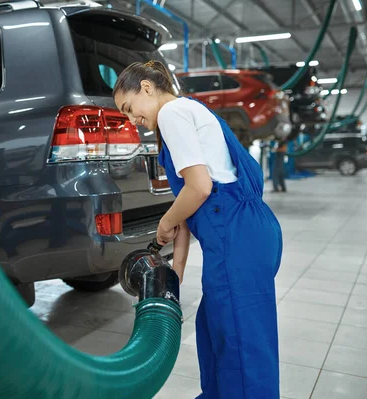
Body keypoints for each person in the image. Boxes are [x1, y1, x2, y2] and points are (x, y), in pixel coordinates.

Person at [112, 60, 283, 399]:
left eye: (129, 109)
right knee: (215, 330)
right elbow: (191, 207)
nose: (132, 121)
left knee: (240, 346)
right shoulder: (187, 112)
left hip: (236, 233)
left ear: (146, 87)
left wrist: (165, 221)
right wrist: (174, 273)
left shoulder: (172, 113)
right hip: (245, 232)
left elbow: (200, 188)